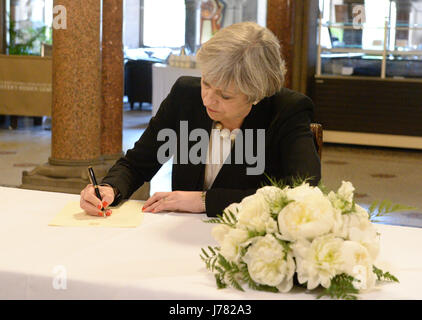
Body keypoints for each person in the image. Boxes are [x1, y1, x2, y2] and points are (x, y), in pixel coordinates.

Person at [80, 21, 321, 218]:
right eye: (206, 82)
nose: (208, 99)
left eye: (225, 95)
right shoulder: (185, 95)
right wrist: (110, 188)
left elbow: (302, 190)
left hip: (251, 241)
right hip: (180, 233)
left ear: (256, 95)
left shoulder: (287, 110)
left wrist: (205, 201)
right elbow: (137, 163)